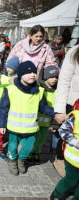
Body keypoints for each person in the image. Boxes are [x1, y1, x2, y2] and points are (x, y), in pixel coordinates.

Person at [0, 61, 54, 176]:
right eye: (29, 72)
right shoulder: (10, 90)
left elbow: (43, 108)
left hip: (31, 128)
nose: (33, 75)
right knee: (12, 146)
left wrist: (56, 113)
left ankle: (21, 160)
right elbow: (3, 108)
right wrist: (2, 124)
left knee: (28, 147)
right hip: (14, 128)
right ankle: (12, 161)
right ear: (21, 74)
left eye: (34, 72)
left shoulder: (39, 91)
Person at [53, 44, 79, 177]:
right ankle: (60, 159)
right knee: (67, 135)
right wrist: (59, 110)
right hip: (73, 104)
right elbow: (63, 82)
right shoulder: (75, 52)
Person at [50, 99, 79, 200]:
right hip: (74, 159)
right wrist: (76, 142)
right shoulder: (76, 116)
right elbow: (63, 130)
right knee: (71, 179)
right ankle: (57, 194)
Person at [29, 66, 59, 164]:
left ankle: (37, 153)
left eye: (56, 77)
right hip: (36, 121)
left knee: (42, 140)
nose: (55, 79)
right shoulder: (40, 88)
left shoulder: (57, 91)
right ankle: (29, 154)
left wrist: (54, 124)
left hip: (47, 123)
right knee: (34, 139)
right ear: (46, 77)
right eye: (52, 76)